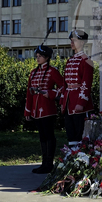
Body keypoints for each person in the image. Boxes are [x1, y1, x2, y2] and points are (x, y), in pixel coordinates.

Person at [25, 44, 64, 174]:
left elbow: (63, 86)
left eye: (40, 56)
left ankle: (49, 164)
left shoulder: (53, 71)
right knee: (42, 137)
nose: (37, 58)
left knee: (49, 136)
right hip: (36, 110)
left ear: (47, 57)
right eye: (37, 56)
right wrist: (28, 110)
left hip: (48, 109)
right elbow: (29, 93)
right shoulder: (33, 72)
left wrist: (51, 93)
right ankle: (44, 164)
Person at [62, 30, 95, 144]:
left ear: (81, 42)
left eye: (74, 40)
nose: (71, 43)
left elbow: (86, 83)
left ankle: (80, 158)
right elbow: (65, 83)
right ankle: (72, 158)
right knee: (71, 134)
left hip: (79, 103)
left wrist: (81, 102)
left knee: (80, 134)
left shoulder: (86, 60)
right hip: (69, 102)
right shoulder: (70, 60)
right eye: (71, 40)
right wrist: (63, 100)